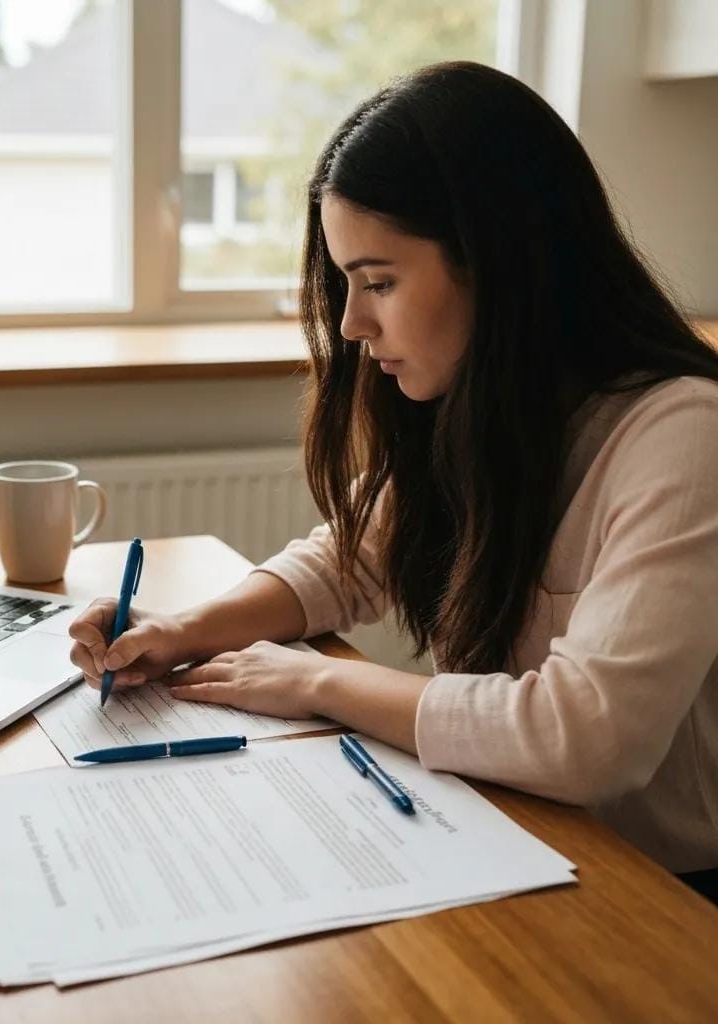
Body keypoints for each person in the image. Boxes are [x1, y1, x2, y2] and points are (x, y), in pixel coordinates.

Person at [68, 62, 718, 901]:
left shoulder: (682, 433)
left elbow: (585, 740)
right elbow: (353, 557)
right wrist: (188, 628)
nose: (349, 323)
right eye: (345, 283)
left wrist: (317, 681)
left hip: (665, 893)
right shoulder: (482, 401)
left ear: (500, 263)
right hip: (521, 837)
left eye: (378, 282)